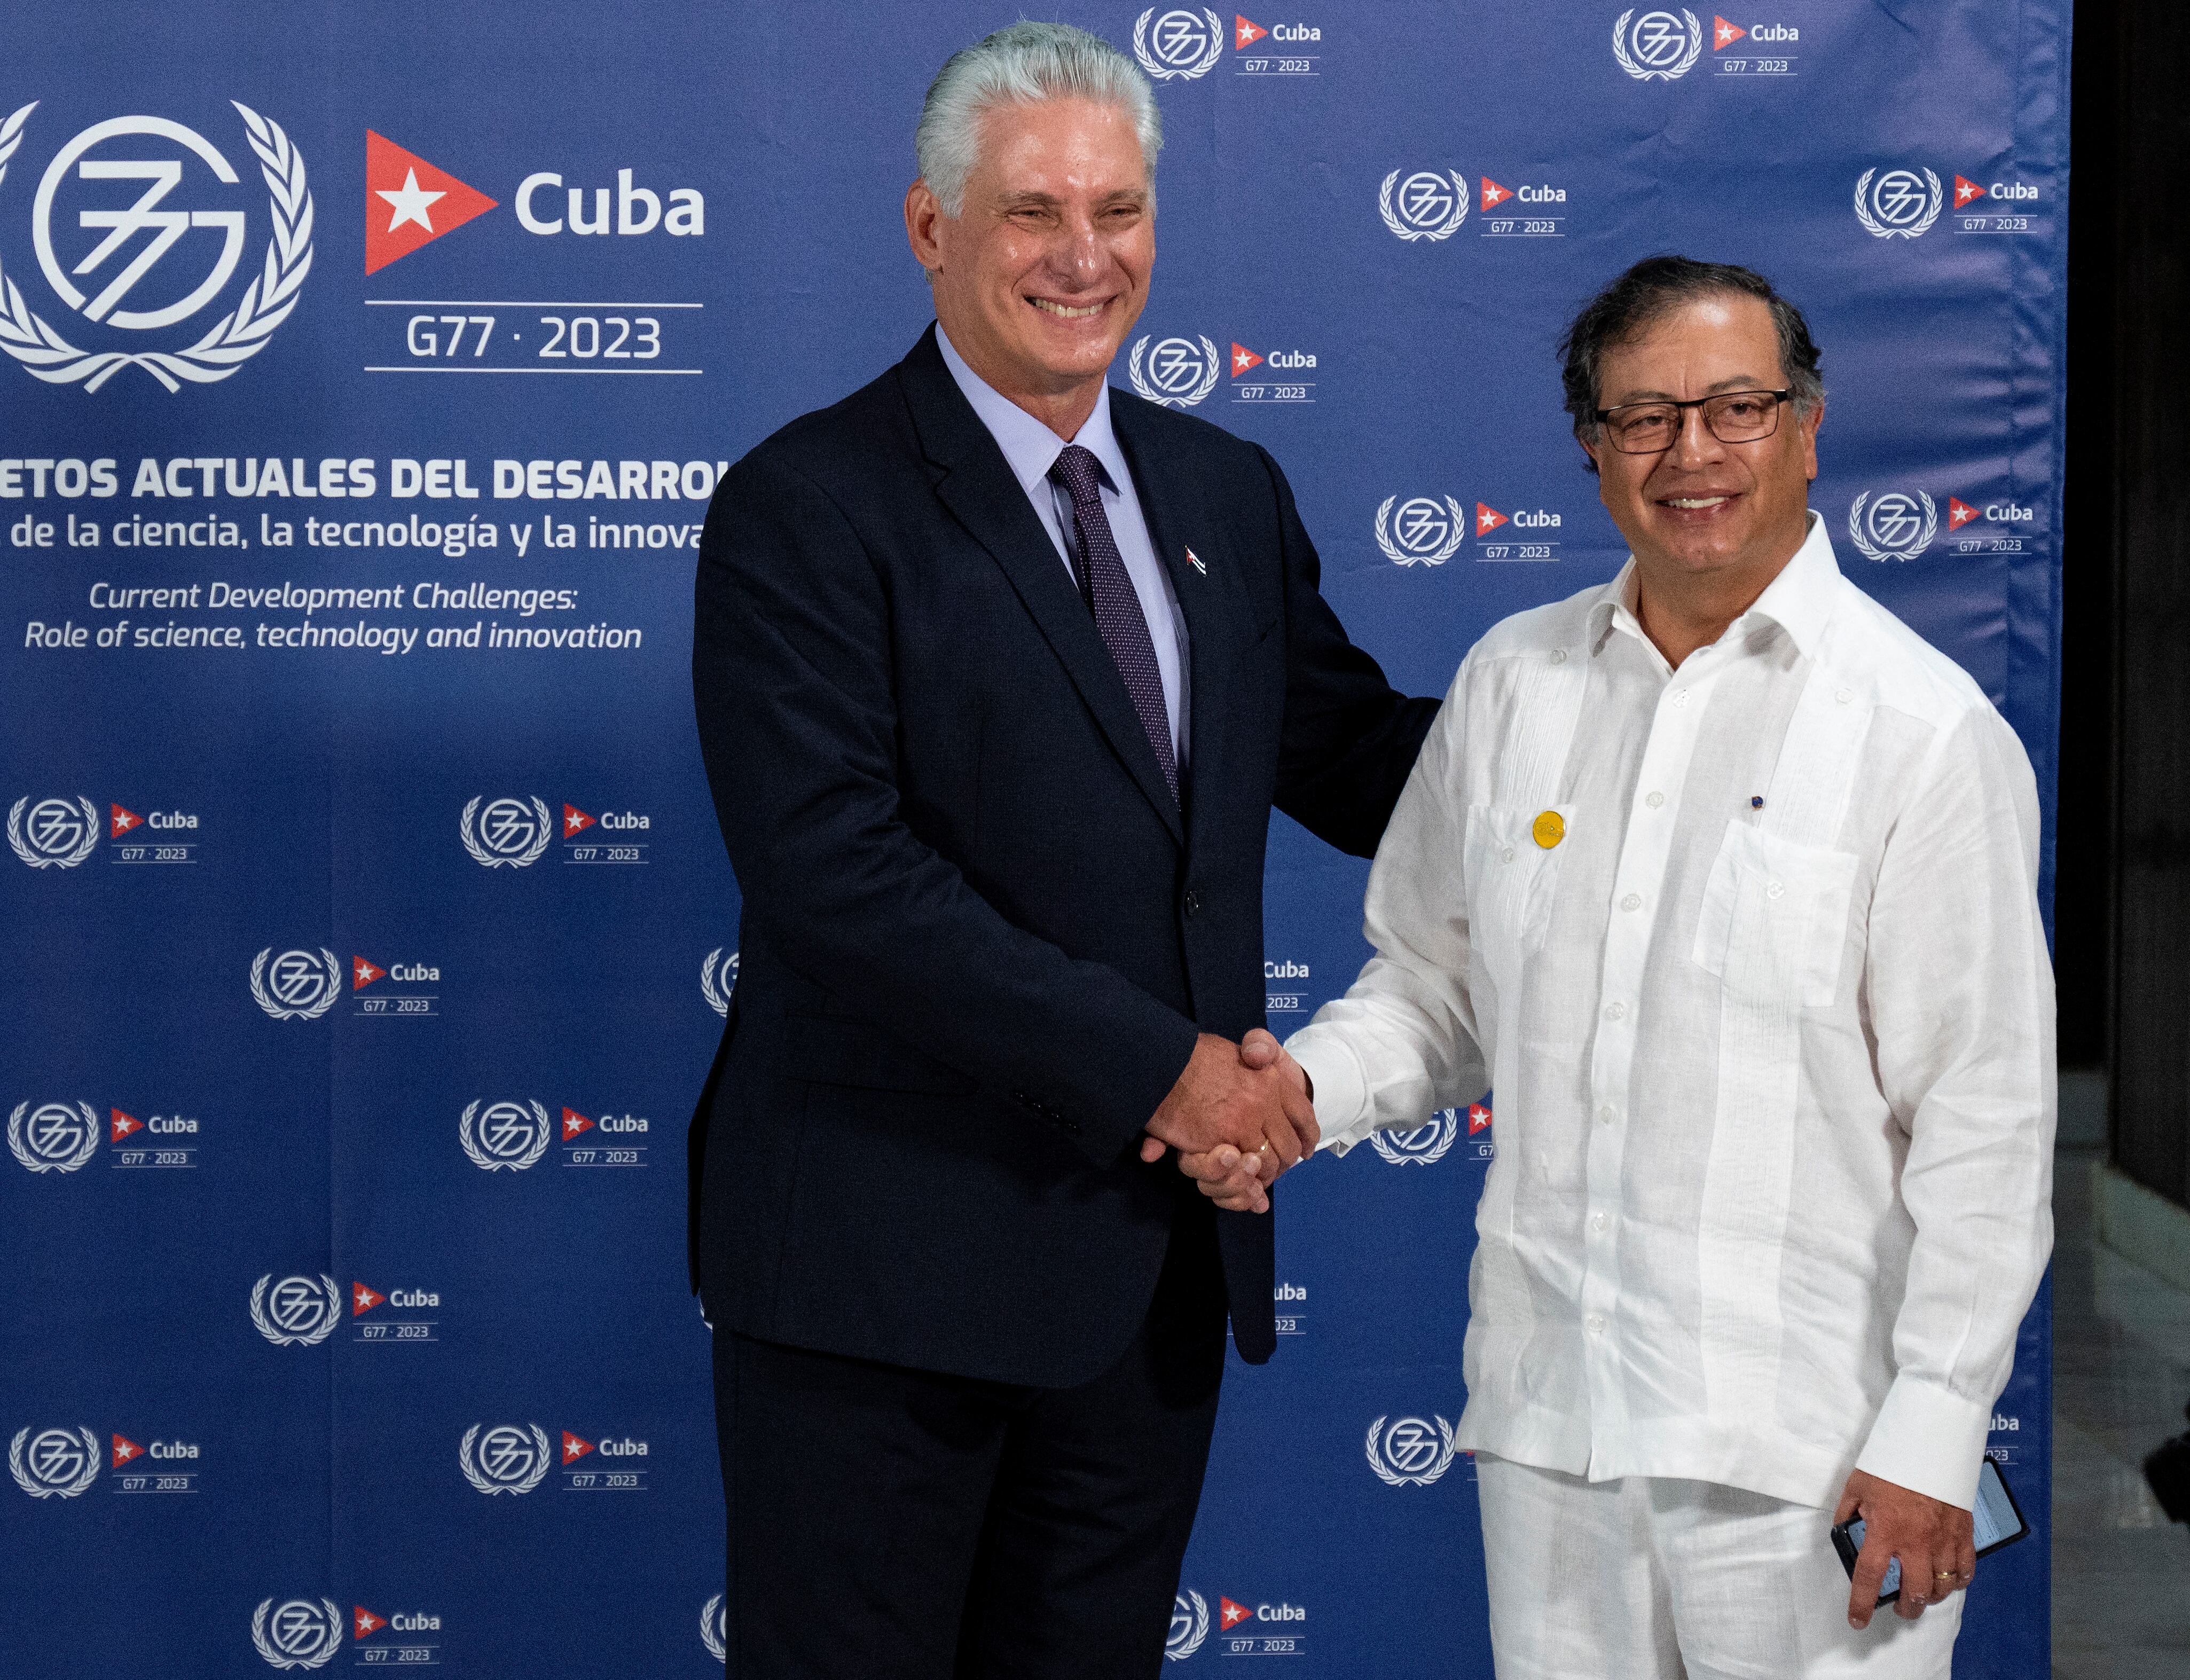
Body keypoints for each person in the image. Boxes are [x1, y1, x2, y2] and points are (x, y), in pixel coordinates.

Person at [686, 22, 1436, 1677]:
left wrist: (1624, 726)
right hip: (881, 1285)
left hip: (1142, 1283)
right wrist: (1171, 1072)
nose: (1082, 257)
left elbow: (1355, 754)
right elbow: (840, 879)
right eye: (1032, 212)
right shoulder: (808, 504)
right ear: (931, 225)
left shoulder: (1224, 490)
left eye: (1118, 210)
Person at [1188, 256, 2055, 1676]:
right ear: (1592, 448)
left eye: (1735, 408)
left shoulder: (1923, 730)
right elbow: (1434, 985)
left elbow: (1988, 1116)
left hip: (1814, 1453)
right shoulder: (1512, 683)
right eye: (1645, 417)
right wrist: (1299, 1096)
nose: (1691, 452)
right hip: (1556, 1434)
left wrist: (1935, 1430)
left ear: (1808, 426)